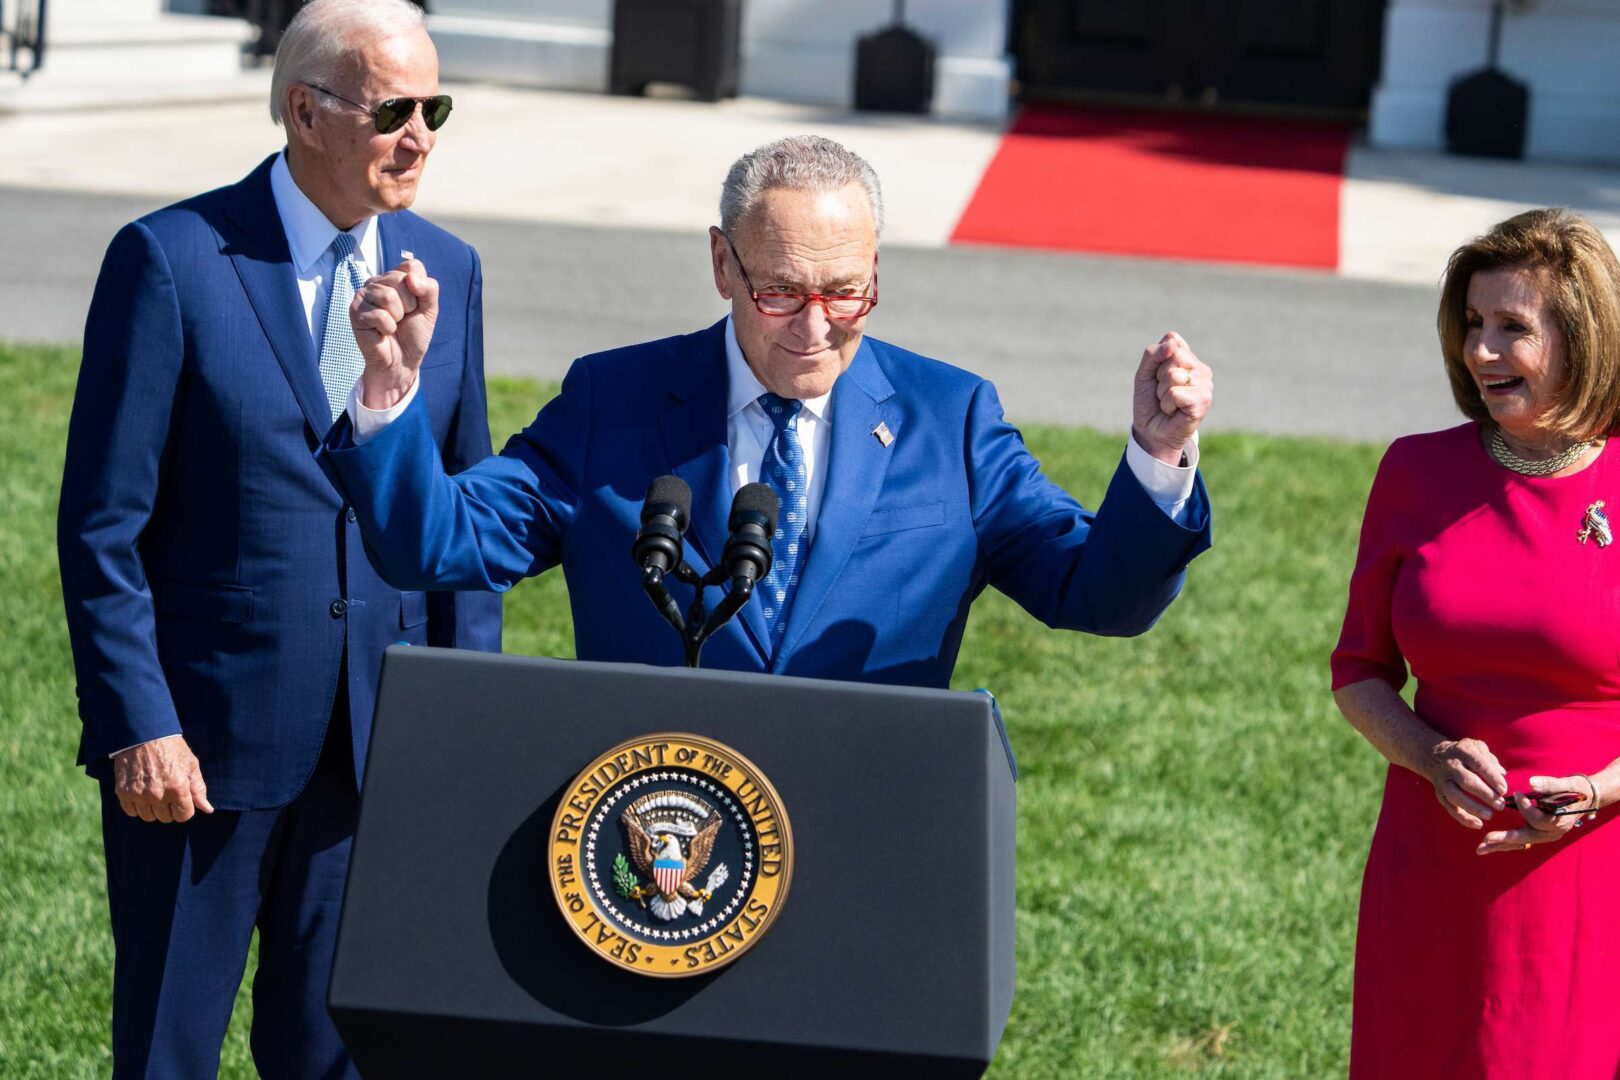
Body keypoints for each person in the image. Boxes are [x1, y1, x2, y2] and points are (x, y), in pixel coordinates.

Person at [324, 134, 1211, 687]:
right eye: (781, 292)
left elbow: (1101, 596)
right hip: (651, 844)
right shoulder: (614, 400)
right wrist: (389, 396)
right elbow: (433, 544)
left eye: (847, 292)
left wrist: (1158, 456)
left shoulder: (955, 420)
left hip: (863, 834)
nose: (816, 328)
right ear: (722, 266)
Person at [56, 0, 501, 1074]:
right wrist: (138, 725)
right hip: (201, 752)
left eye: (436, 106)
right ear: (307, 112)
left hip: (376, 749)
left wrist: (464, 727)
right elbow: (102, 526)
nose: (424, 134)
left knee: (337, 1054)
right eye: (396, 109)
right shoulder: (172, 260)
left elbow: (461, 527)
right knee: (169, 1045)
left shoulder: (450, 267)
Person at [1332, 208, 1620, 1076]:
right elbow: (1359, 673)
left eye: (1512, 329)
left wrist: (1603, 789)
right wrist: (1428, 753)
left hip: (1589, 872)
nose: (1481, 351)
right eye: (1472, 325)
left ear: (1584, 339)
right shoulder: (1415, 472)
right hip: (1433, 864)